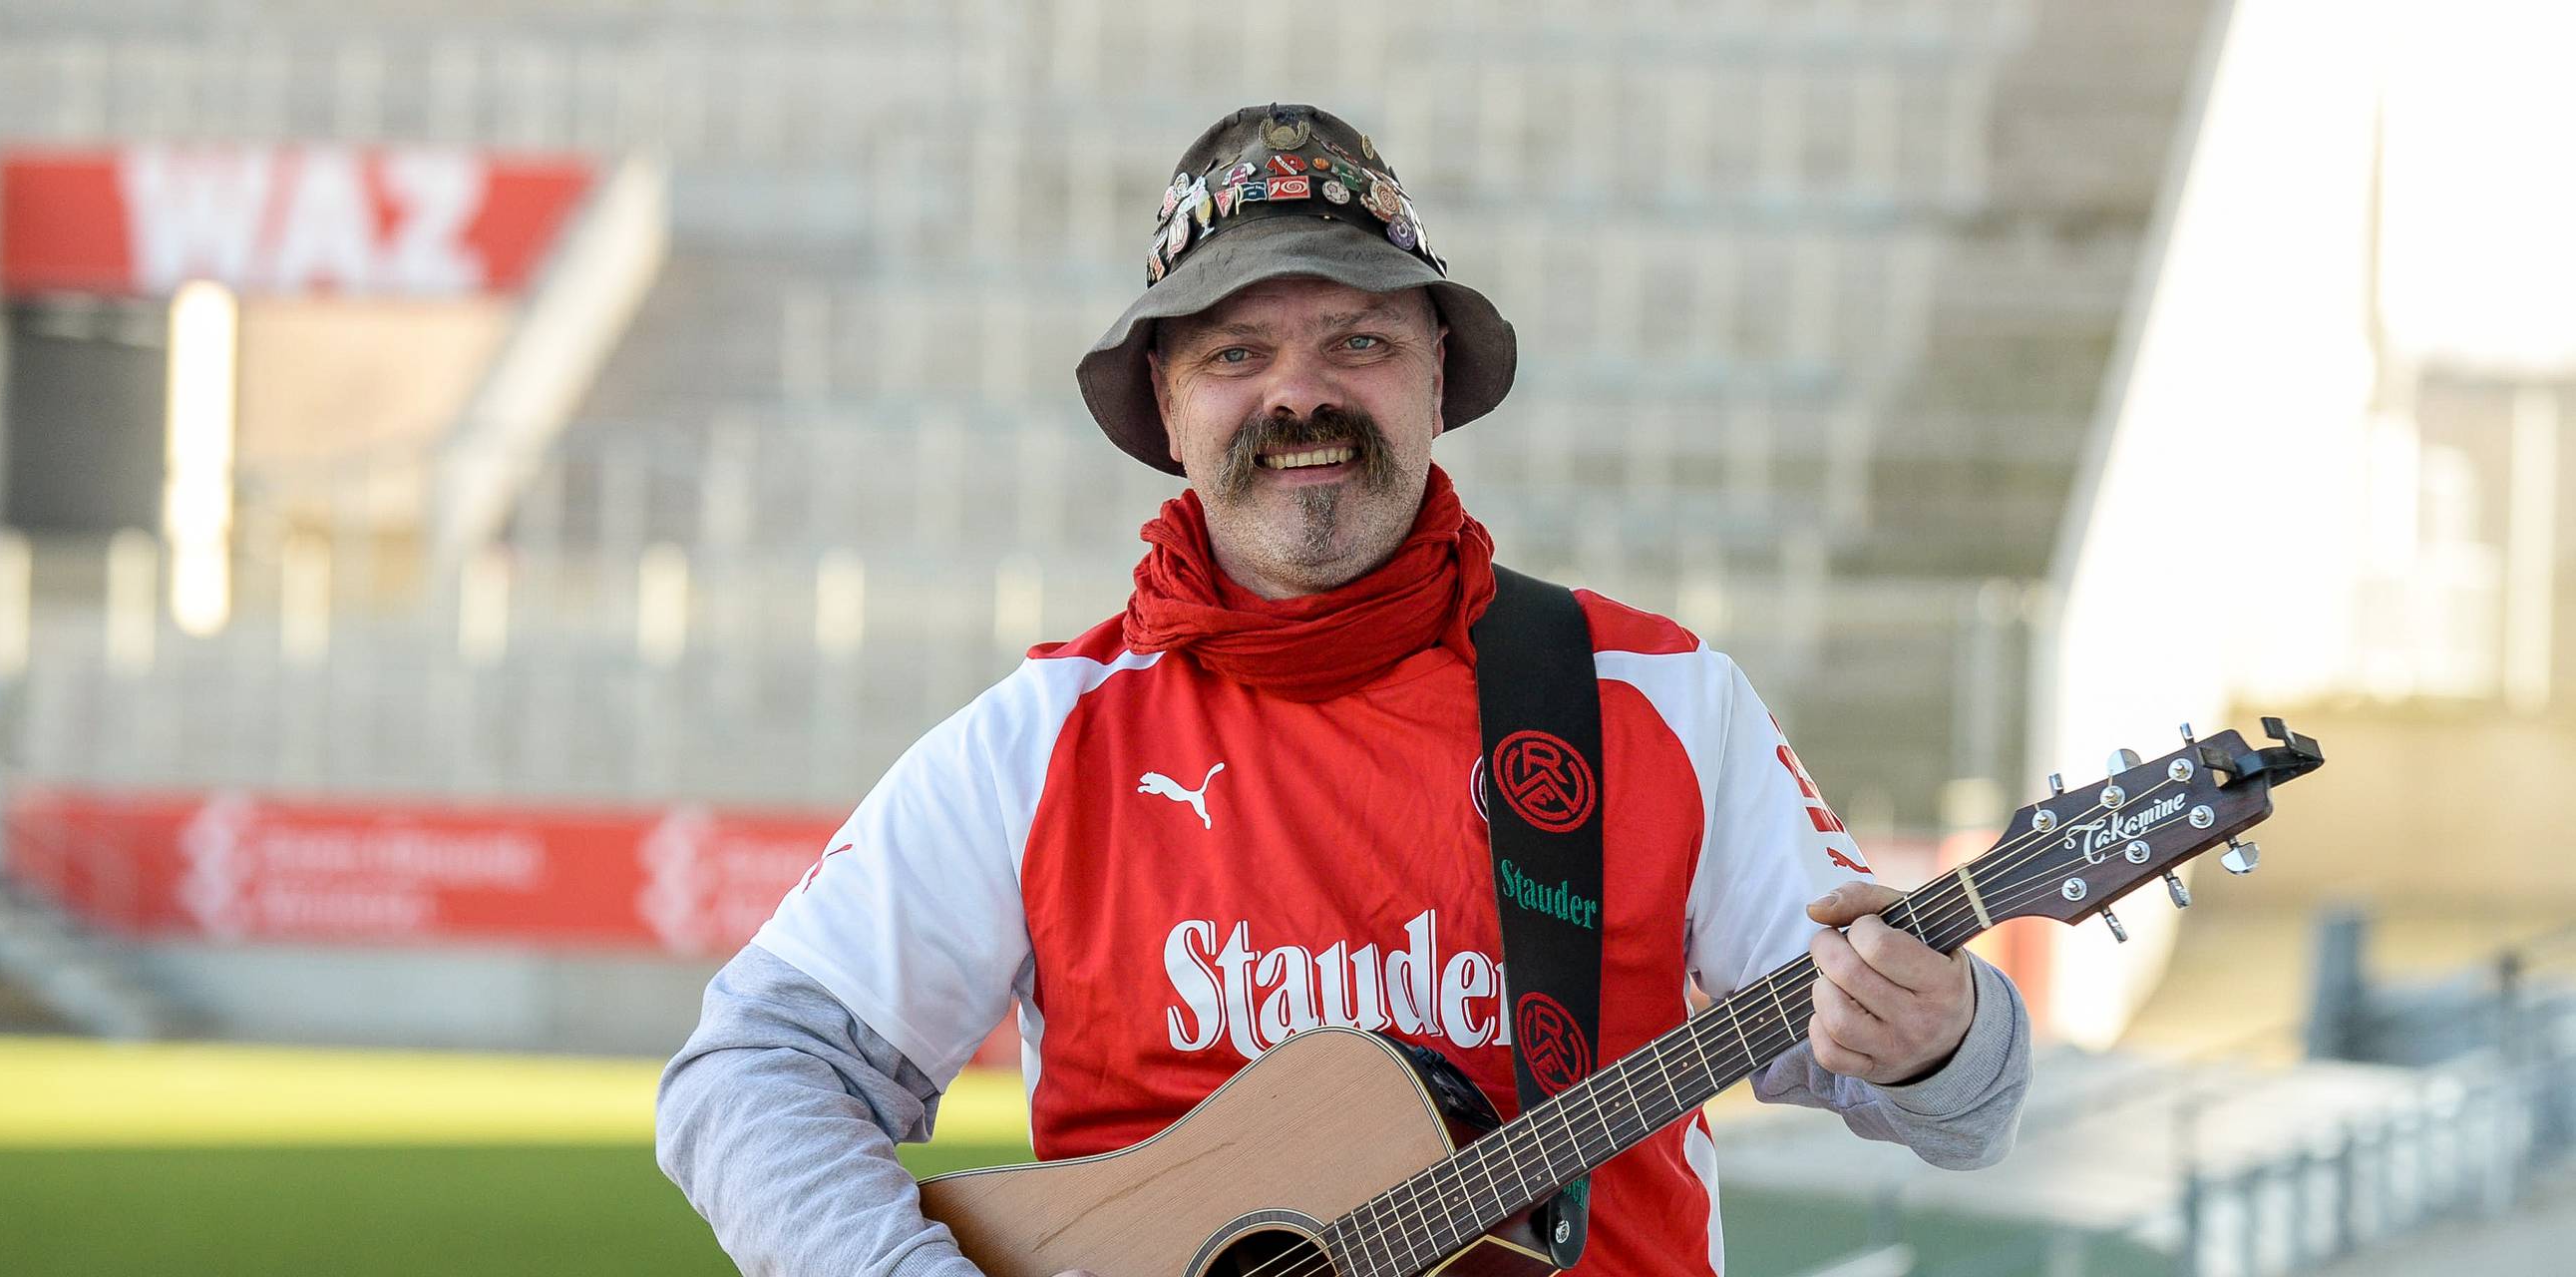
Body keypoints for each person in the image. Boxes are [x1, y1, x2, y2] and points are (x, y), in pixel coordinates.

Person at [657, 103, 2029, 1277]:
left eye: (1358, 341)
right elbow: (750, 1073)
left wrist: (1945, 1038)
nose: (1299, 396)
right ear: (1168, 403)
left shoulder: (1654, 699)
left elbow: (1958, 1110)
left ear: (1437, 376)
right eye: (1235, 353)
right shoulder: (1040, 745)